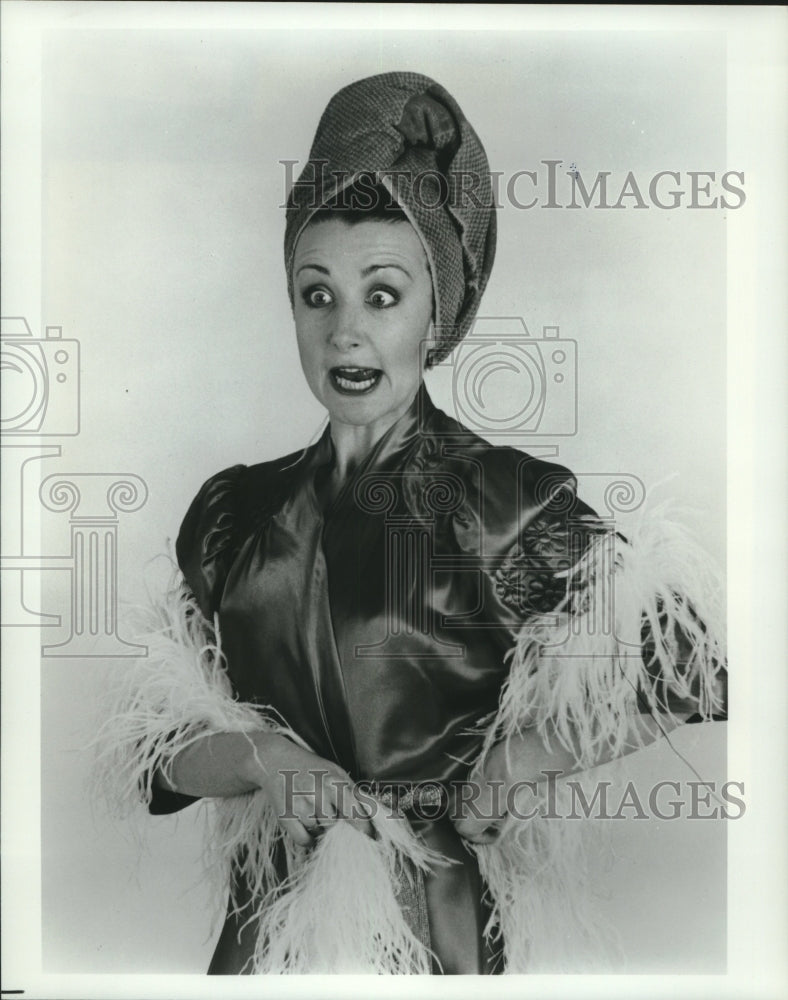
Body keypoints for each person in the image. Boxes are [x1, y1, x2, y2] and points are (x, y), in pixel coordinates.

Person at [97, 71, 727, 975]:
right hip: (265, 941)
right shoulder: (235, 515)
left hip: (433, 935)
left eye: (382, 294)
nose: (346, 331)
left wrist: (520, 762)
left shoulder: (498, 505)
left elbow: (686, 666)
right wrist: (258, 756)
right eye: (318, 294)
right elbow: (152, 756)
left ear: (440, 314)